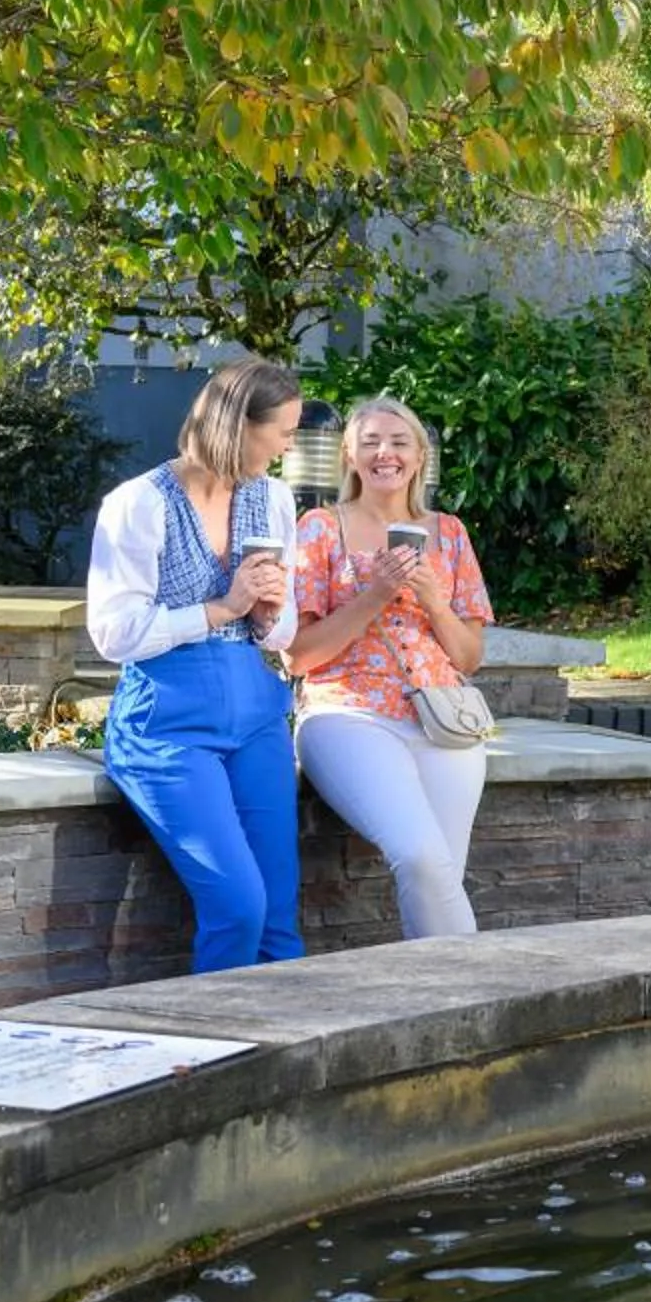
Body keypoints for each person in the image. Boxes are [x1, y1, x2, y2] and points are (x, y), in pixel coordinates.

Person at [88, 357, 309, 973]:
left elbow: (282, 627)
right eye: (283, 432)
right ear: (240, 425)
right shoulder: (139, 504)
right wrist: (220, 607)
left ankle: (286, 1061)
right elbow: (113, 633)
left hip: (258, 718)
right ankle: (217, 1053)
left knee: (277, 922)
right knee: (239, 907)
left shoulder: (275, 499)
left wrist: (266, 616)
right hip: (168, 728)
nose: (289, 447)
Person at [287, 395, 495, 939]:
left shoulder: (449, 533)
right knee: (422, 858)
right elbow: (298, 655)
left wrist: (432, 599)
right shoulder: (319, 529)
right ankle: (477, 996)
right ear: (350, 457)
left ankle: (443, 1004)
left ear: (420, 456)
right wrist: (375, 594)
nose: (386, 453)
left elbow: (470, 658)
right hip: (348, 715)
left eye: (400, 442)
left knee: (442, 874)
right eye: (371, 442)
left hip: (443, 717)